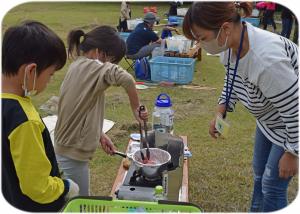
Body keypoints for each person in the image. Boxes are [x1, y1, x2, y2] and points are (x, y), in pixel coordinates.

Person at [183, 2, 298, 212]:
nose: (200, 45)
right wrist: (221, 109)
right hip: (269, 121)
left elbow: (295, 110)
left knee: (272, 186)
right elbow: (232, 78)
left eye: (202, 38)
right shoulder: (231, 45)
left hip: (290, 125)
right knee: (259, 175)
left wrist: (293, 152)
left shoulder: (267, 61)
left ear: (225, 28)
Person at [54, 25, 148, 196]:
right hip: (71, 151)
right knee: (80, 203)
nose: (111, 66)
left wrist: (100, 135)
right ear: (99, 53)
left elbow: (81, 110)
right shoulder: (92, 66)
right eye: (112, 61)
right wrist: (136, 109)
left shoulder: (79, 67)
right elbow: (126, 78)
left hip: (68, 148)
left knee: (73, 199)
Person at [1, 21, 79, 212]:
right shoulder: (25, 121)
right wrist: (66, 187)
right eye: (51, 74)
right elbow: (38, 187)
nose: (50, 80)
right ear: (31, 71)